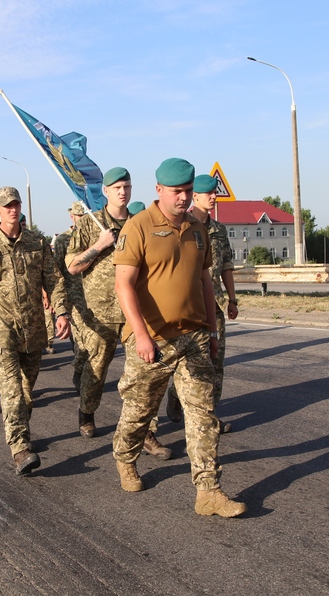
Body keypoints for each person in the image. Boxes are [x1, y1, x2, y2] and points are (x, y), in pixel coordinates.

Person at [110, 157, 245, 518]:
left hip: (193, 337)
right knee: (140, 411)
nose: (184, 198)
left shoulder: (198, 230)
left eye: (188, 191)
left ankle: (209, 491)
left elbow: (204, 281)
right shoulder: (138, 228)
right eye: (177, 192)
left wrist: (212, 331)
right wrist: (140, 335)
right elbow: (123, 284)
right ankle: (125, 457)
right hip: (151, 339)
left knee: (202, 413)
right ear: (158, 191)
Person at [0, 186, 70, 475]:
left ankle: (20, 429)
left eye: (16, 204)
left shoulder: (36, 242)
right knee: (11, 390)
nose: (12, 209)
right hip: (2, 330)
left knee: (26, 392)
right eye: (6, 205)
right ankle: (20, 448)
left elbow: (54, 280)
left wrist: (60, 312)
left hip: (34, 328)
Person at [66, 167, 142, 443]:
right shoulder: (90, 224)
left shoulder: (139, 223)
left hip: (134, 310)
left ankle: (145, 430)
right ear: (106, 191)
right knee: (96, 370)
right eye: (117, 187)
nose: (123, 192)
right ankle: (87, 412)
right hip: (100, 311)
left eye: (127, 187)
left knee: (143, 373)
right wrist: (100, 244)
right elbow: (73, 267)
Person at [166, 174, 239, 432]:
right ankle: (176, 396)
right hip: (188, 305)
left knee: (215, 362)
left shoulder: (218, 230)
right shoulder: (183, 226)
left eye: (214, 192)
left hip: (215, 304)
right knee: (188, 361)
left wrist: (232, 298)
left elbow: (227, 266)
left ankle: (209, 416)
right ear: (194, 196)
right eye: (207, 193)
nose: (213, 196)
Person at [53, 202, 88, 391]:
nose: (83, 220)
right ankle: (80, 371)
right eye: (79, 216)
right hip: (72, 297)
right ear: (72, 217)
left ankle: (87, 373)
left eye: (85, 216)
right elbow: (55, 272)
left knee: (94, 341)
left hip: (94, 297)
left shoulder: (96, 236)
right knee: (80, 341)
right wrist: (56, 301)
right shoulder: (63, 240)